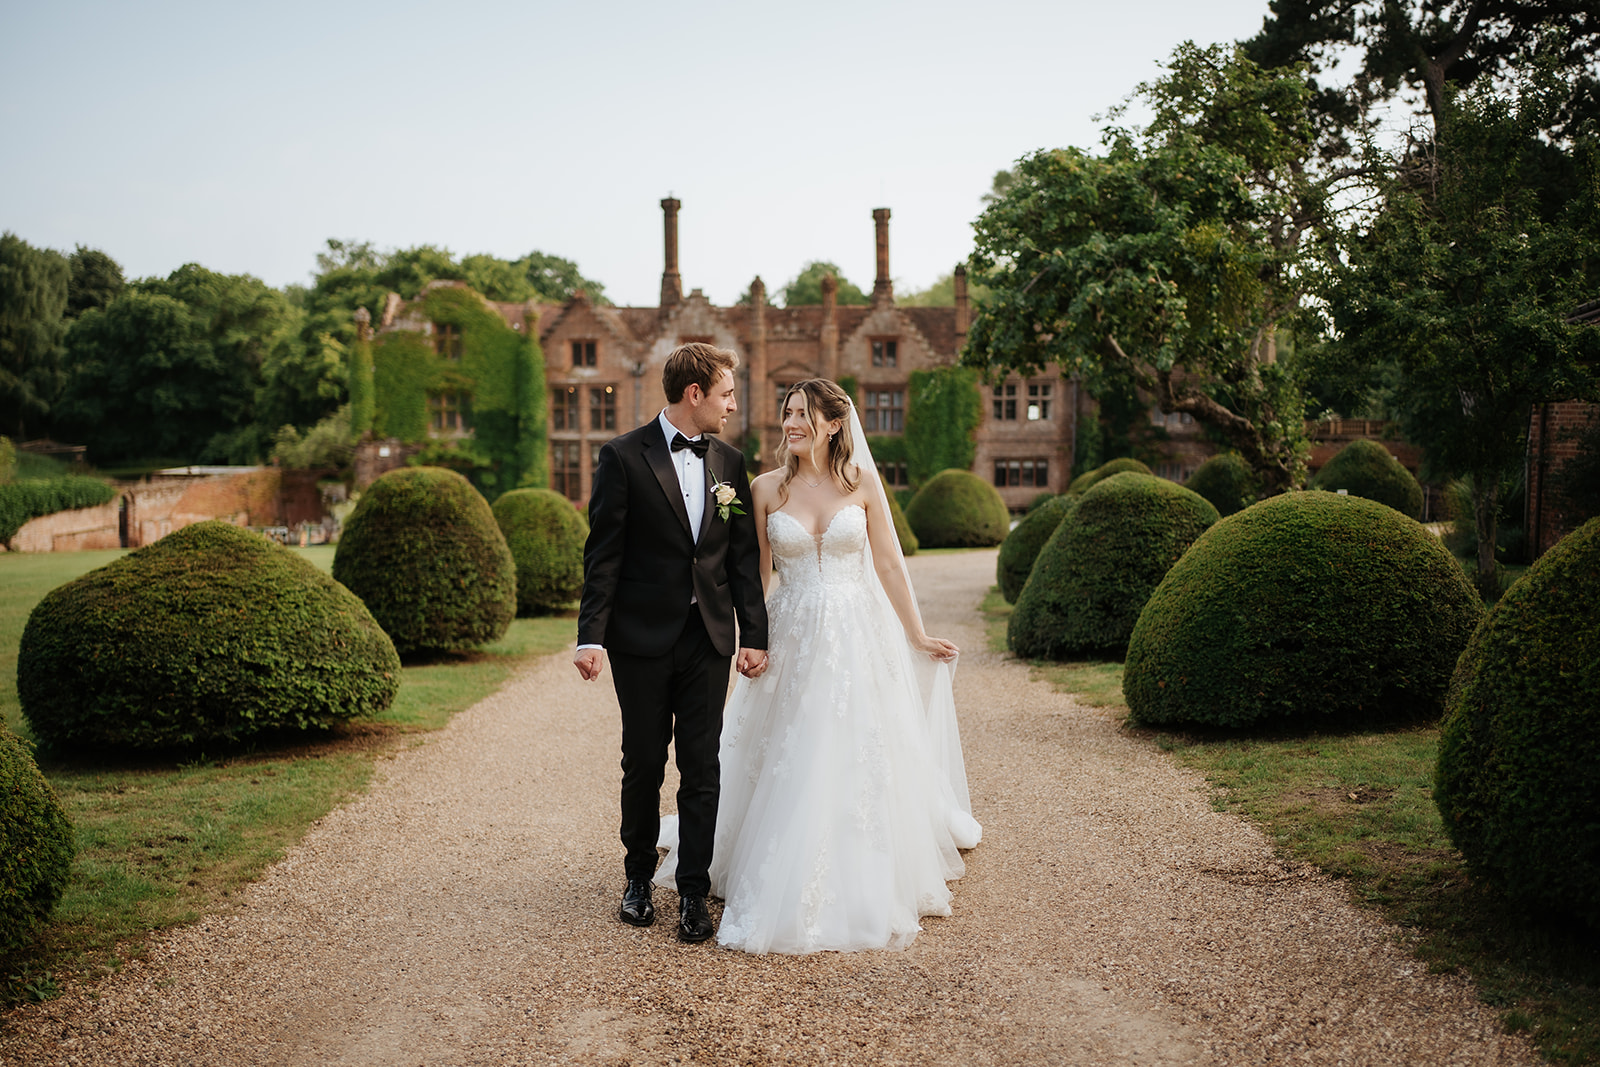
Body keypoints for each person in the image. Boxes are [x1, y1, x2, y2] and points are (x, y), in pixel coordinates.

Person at [655, 378, 982, 953]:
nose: (791, 423)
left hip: (857, 635)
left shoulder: (861, 485)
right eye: (787, 413)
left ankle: (859, 862)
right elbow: (754, 576)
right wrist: (746, 640)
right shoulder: (762, 488)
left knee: (855, 745)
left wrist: (917, 632)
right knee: (782, 747)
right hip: (790, 633)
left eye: (803, 414)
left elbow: (886, 562)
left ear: (835, 423)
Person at [573, 342, 770, 943]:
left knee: (702, 766)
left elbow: (740, 560)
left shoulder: (730, 464)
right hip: (640, 641)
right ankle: (636, 878)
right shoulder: (622, 456)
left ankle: (691, 891)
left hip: (708, 638)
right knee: (643, 763)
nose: (733, 404)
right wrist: (591, 638)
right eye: (727, 393)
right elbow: (603, 555)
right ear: (695, 394)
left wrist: (753, 635)